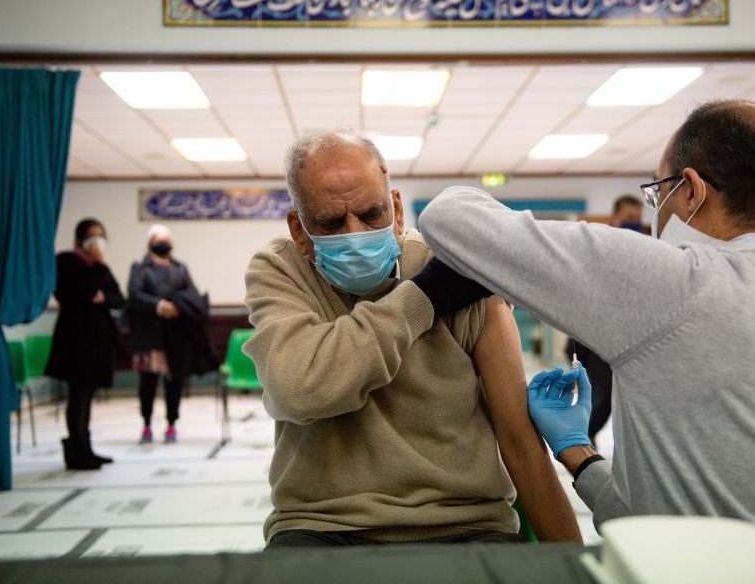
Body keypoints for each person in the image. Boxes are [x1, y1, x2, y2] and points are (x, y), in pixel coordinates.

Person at [418, 100, 755, 542]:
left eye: (658, 193)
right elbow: (655, 525)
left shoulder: (677, 280)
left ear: (690, 191)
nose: (656, 211)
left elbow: (449, 218)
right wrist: (578, 453)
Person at [243, 129, 579, 549]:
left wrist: (573, 564)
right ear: (298, 228)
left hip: (466, 523)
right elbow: (300, 389)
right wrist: (423, 298)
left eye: (371, 214)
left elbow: (521, 444)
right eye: (330, 223)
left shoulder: (456, 269)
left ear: (398, 210)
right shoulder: (282, 271)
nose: (355, 234)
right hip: (322, 526)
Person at [565, 194, 645, 442]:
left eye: (637, 219)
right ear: (616, 218)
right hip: (594, 338)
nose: (634, 223)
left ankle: (586, 440)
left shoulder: (641, 253)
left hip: (624, 338)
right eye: (629, 218)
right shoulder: (598, 247)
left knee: (611, 398)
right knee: (601, 396)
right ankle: (581, 440)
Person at [46, 218, 124, 471]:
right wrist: (97, 276)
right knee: (77, 396)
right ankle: (76, 452)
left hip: (98, 342)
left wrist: (101, 293)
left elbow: (118, 298)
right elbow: (77, 294)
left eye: (101, 235)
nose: (97, 240)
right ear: (80, 239)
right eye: (92, 235)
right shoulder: (67, 261)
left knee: (88, 395)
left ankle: (87, 448)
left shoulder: (100, 266)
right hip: (75, 342)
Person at [127, 224, 211, 444]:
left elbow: (191, 294)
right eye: (158, 238)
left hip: (175, 337)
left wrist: (176, 306)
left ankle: (171, 424)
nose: (163, 242)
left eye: (166, 238)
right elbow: (134, 294)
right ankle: (146, 425)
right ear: (150, 242)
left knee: (174, 384)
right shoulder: (140, 268)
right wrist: (159, 305)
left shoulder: (180, 268)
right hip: (148, 337)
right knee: (147, 384)